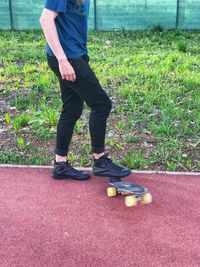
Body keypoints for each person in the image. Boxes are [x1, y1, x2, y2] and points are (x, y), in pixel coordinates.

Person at [39, 0, 131, 180]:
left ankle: (60, 165)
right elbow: (45, 19)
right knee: (101, 104)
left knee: (72, 110)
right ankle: (100, 161)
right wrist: (63, 61)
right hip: (67, 59)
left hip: (75, 55)